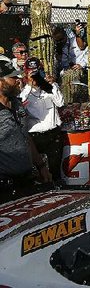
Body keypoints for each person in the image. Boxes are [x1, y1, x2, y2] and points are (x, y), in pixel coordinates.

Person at [0, 61, 51, 204]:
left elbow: (25, 136)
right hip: (4, 186)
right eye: (13, 78)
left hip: (27, 179)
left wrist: (41, 166)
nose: (18, 81)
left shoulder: (17, 104)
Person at [21, 57, 64, 182]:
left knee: (55, 170)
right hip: (35, 136)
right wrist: (29, 85)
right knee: (38, 172)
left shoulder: (48, 86)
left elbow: (60, 103)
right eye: (31, 73)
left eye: (37, 72)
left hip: (53, 133)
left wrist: (51, 85)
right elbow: (21, 107)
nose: (35, 76)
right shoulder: (23, 92)